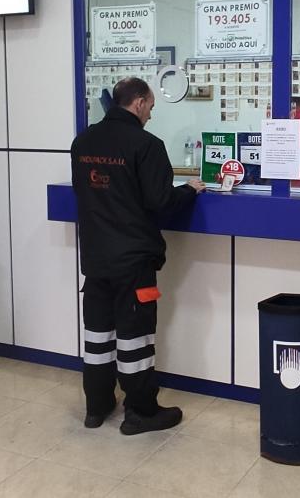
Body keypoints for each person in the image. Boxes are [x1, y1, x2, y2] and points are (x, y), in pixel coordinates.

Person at [70, 77, 206, 435]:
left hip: (97, 259)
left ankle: (96, 407)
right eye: (151, 108)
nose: (150, 116)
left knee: (98, 337)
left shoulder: (82, 143)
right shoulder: (146, 145)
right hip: (133, 260)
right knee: (135, 339)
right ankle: (140, 413)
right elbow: (160, 202)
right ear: (140, 102)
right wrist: (189, 191)